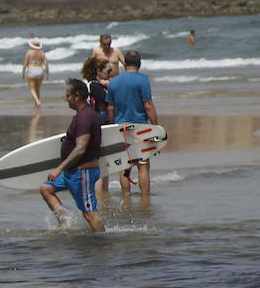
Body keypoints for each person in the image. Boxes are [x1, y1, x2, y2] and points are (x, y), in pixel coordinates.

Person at [39, 79, 105, 233]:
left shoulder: (85, 117)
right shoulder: (82, 114)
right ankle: (65, 221)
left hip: (82, 173)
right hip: (72, 172)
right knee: (46, 188)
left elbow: (81, 148)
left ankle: (102, 243)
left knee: (89, 214)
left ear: (77, 96)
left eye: (68, 96)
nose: (66, 99)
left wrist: (59, 168)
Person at [105, 49, 158, 196]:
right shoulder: (143, 80)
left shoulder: (114, 82)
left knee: (124, 165)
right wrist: (156, 126)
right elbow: (148, 105)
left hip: (121, 127)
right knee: (143, 165)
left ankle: (126, 196)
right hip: (141, 127)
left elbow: (110, 107)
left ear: (125, 64)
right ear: (139, 64)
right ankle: (145, 198)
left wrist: (111, 125)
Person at [22, 38, 50, 108]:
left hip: (32, 69)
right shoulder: (42, 53)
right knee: (37, 88)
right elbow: (46, 63)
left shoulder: (29, 52)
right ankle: (36, 105)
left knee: (32, 88)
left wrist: (23, 73)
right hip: (40, 70)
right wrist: (47, 74)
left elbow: (25, 63)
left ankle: (37, 101)